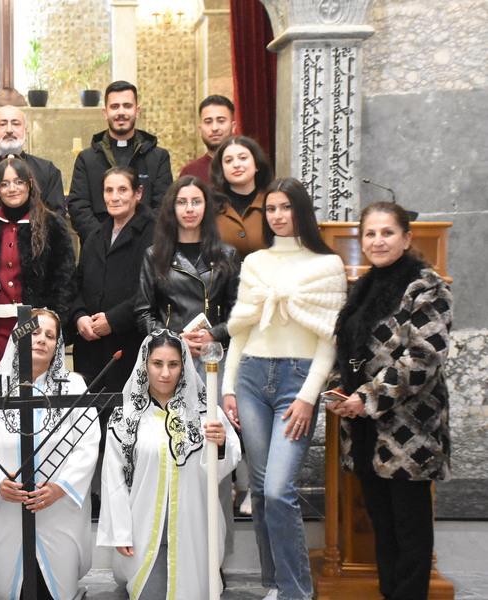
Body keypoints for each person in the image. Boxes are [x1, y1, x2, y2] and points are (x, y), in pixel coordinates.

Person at [221, 178, 347, 600]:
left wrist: (309, 397)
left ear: (301, 211)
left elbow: (329, 340)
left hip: (298, 380)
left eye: (286, 207)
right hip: (251, 377)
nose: (277, 215)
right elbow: (240, 329)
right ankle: (274, 583)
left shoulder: (327, 265)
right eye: (271, 208)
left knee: (278, 489)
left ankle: (296, 591)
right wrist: (228, 387)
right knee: (259, 490)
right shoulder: (255, 262)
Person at [326, 202, 452, 600]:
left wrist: (367, 397)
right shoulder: (362, 287)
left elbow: (424, 357)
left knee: (409, 529)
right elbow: (344, 350)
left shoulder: (426, 287)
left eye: (387, 233)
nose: (377, 241)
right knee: (380, 524)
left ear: (407, 238)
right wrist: (338, 390)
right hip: (365, 428)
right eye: (370, 233)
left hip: (410, 430)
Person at [0, 309, 100, 600]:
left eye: (50, 336)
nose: (41, 340)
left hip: (58, 507)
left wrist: (61, 487)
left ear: (57, 346)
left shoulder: (75, 387)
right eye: (34, 333)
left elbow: (87, 443)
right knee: (13, 588)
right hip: (10, 508)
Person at [98, 330, 240, 599]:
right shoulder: (125, 416)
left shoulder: (205, 412)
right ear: (145, 365)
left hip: (194, 530)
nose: (165, 373)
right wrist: (120, 531)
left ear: (183, 366)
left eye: (173, 364)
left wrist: (220, 444)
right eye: (157, 364)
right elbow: (113, 478)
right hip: (142, 530)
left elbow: (224, 465)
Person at [0, 157, 76, 374]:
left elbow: (64, 281)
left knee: (33, 386)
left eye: (18, 182)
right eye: (4, 184)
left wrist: (55, 325)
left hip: (37, 328)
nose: (12, 189)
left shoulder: (52, 225)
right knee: (1, 387)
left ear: (29, 184)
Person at [135, 175, 241, 362]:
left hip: (215, 353)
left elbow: (239, 312)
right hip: (170, 355)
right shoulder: (154, 255)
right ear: (172, 208)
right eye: (182, 202)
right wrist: (174, 339)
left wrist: (214, 334)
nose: (189, 209)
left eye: (196, 202)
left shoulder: (227, 254)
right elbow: (143, 314)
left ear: (206, 207)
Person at [72, 166, 155, 394]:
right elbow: (77, 284)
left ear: (138, 193)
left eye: (122, 190)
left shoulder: (154, 233)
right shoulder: (95, 236)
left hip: (131, 343)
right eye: (109, 190)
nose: (114, 197)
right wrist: (79, 317)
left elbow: (153, 289)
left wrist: (113, 319)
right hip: (91, 347)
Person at [67, 80, 173, 242]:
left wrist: (136, 240)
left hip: (144, 247)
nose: (121, 112)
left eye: (127, 106)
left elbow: (163, 206)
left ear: (137, 111)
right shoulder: (86, 159)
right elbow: (78, 207)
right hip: (98, 247)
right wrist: (104, 241)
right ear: (105, 112)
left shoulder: (158, 157)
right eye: (115, 106)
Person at [0, 105, 65, 223]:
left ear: (25, 130)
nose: (9, 130)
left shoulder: (48, 171)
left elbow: (56, 219)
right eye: (2, 124)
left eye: (16, 124)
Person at [209, 135, 274, 258]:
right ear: (221, 169)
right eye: (228, 161)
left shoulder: (272, 202)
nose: (236, 165)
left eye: (243, 158)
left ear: (257, 164)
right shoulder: (210, 205)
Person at [178, 95, 236, 183]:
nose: (214, 128)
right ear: (200, 128)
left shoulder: (244, 167)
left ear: (233, 126)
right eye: (208, 122)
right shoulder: (190, 172)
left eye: (221, 121)